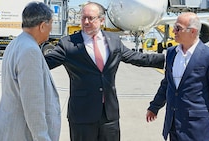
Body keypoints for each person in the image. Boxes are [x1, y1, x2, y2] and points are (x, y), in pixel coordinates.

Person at [44, 2, 165, 141]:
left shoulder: (114, 41)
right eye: (83, 18)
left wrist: (168, 60)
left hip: (109, 115)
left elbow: (137, 58)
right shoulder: (68, 44)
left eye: (91, 18)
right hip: (82, 115)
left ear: (102, 20)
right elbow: (44, 63)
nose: (86, 22)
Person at [146, 12, 209, 141]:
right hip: (173, 124)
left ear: (193, 31)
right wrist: (154, 107)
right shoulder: (172, 53)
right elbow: (167, 84)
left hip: (197, 128)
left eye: (178, 28)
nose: (174, 31)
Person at [0, 2, 61, 141]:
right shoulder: (30, 50)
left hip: (9, 130)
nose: (51, 29)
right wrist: (42, 137)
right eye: (51, 24)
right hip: (22, 134)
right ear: (42, 26)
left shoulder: (16, 43)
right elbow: (33, 102)